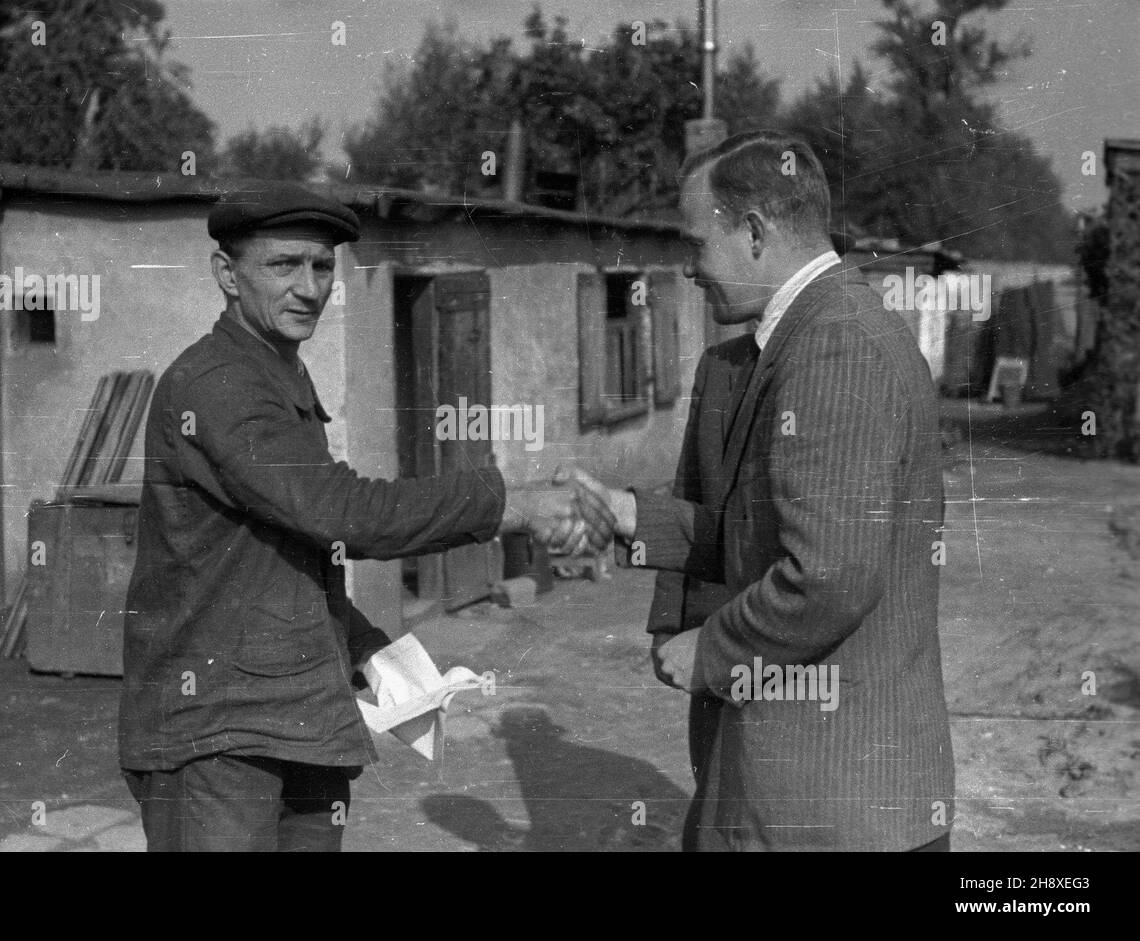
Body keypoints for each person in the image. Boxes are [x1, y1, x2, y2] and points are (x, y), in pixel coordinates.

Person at [118, 182, 612, 851]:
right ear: (226, 276)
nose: (310, 287)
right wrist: (513, 502)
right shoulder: (218, 384)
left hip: (295, 720)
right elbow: (341, 511)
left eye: (322, 266)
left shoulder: (274, 375)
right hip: (217, 737)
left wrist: (360, 644)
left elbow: (276, 553)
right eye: (283, 265)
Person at [569, 130, 955, 851]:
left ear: (753, 232)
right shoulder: (810, 335)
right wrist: (632, 515)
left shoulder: (834, 345)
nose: (690, 269)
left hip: (828, 809)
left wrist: (710, 649)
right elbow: (768, 533)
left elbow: (829, 575)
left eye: (697, 244)